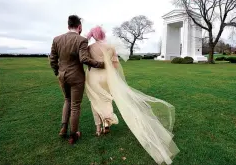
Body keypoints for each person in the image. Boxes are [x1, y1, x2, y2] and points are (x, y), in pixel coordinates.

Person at [85, 26, 179, 165]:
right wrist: (109, 67)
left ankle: (98, 128)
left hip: (93, 76)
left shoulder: (90, 47)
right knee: (108, 98)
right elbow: (116, 65)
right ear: (103, 34)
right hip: (107, 77)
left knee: (95, 100)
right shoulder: (111, 46)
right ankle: (107, 123)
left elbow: (86, 62)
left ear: (93, 35)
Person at [49, 15, 105, 145]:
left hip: (62, 76)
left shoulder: (56, 39)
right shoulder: (81, 40)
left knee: (67, 100)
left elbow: (53, 60)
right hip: (76, 77)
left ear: (68, 26)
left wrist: (58, 72)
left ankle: (63, 128)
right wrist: (101, 64)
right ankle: (73, 135)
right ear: (79, 27)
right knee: (75, 106)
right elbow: (84, 59)